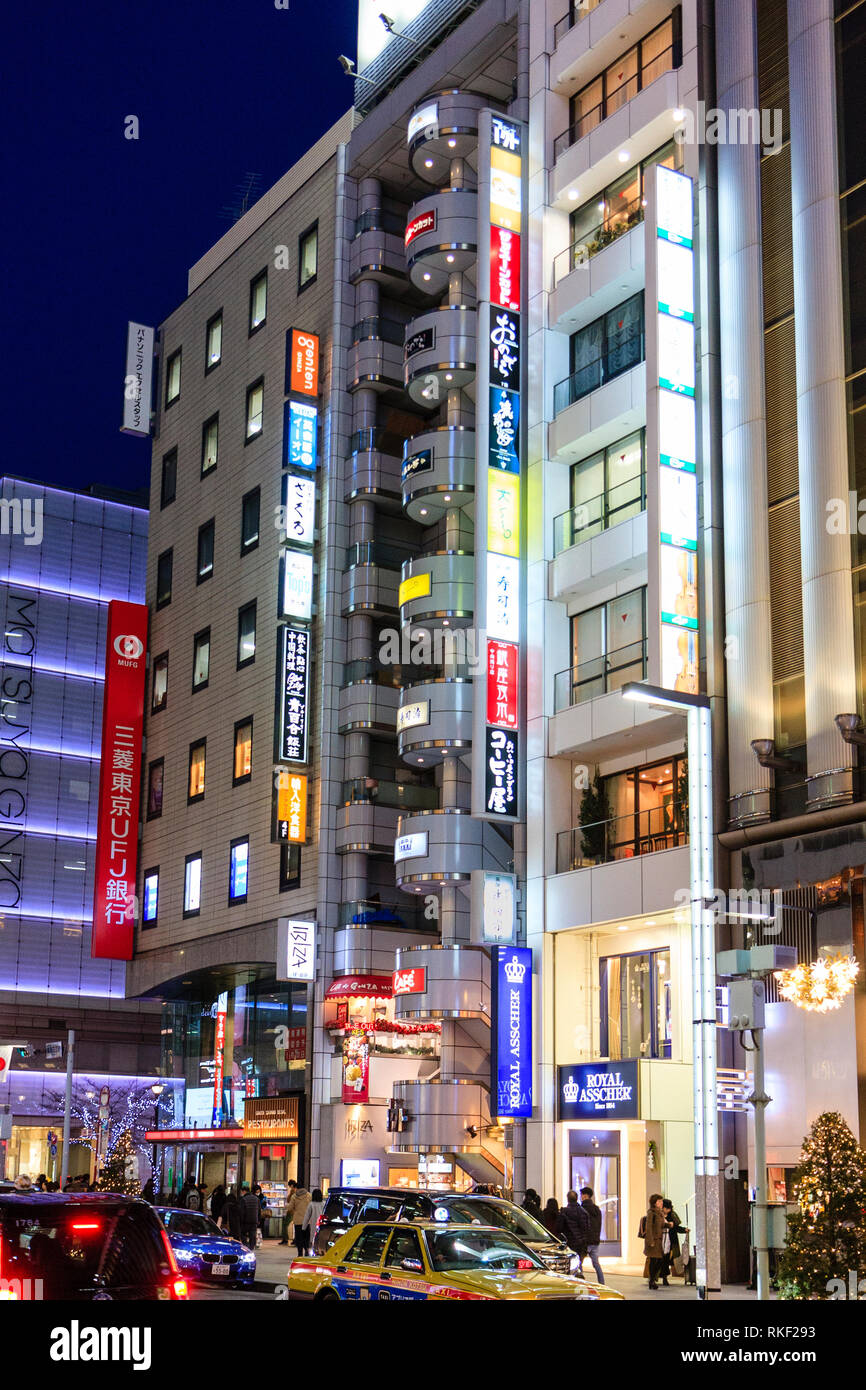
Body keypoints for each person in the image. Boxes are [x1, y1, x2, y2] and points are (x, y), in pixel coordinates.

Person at [579, 1186, 605, 1285]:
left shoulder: (582, 1209)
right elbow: (599, 1224)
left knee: (579, 1263)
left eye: (581, 1195)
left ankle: (581, 1282)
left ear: (585, 1196)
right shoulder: (597, 1209)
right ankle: (602, 1283)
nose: (581, 1197)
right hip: (595, 1241)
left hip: (585, 1242)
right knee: (596, 1264)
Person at [556, 1190, 590, 1266]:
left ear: (568, 1199)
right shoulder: (583, 1212)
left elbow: (559, 1228)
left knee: (570, 1266)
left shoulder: (564, 1212)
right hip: (581, 1243)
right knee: (578, 1265)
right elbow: (587, 1228)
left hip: (569, 1243)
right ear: (577, 1198)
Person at [660, 1199, 686, 1286]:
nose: (668, 1210)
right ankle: (654, 1277)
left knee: (667, 1260)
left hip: (671, 1241)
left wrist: (684, 1230)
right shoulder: (658, 1215)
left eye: (669, 1208)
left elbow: (676, 1227)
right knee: (660, 1260)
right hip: (661, 1240)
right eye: (666, 1208)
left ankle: (665, 1278)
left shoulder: (672, 1216)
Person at [643, 1193, 666, 1290]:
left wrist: (669, 1225)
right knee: (654, 1261)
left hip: (659, 1240)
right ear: (654, 1203)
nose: (661, 1203)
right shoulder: (651, 1212)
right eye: (659, 1201)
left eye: (661, 1201)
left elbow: (660, 1225)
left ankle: (652, 1280)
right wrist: (650, 1241)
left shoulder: (660, 1213)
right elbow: (648, 1227)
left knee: (659, 1260)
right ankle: (651, 1281)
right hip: (653, 1240)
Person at [290, 1181, 312, 1255]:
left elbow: (290, 1208)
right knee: (306, 1237)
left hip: (298, 1220)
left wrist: (294, 1212)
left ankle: (300, 1253)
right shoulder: (309, 1195)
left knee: (299, 1237)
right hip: (307, 1220)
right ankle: (306, 1250)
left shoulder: (294, 1196)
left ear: (296, 1188)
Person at [301, 1188, 325, 1254]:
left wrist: (304, 1227)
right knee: (322, 1241)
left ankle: (314, 1253)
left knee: (313, 1241)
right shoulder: (324, 1204)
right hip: (323, 1225)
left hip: (314, 1225)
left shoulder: (311, 1204)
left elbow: (307, 1216)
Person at [240, 1183, 261, 1250]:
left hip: (246, 1221)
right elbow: (259, 1210)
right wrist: (258, 1220)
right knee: (252, 1236)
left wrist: (241, 1221)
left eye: (241, 1192)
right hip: (254, 1221)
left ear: (244, 1191)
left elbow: (242, 1212)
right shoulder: (256, 1199)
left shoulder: (243, 1199)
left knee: (243, 1234)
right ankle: (251, 1248)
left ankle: (246, 1247)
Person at [279, 1179, 298, 1245]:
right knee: (296, 1226)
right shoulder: (296, 1191)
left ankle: (285, 1239)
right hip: (295, 1211)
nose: (290, 1187)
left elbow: (288, 1200)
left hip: (291, 1211)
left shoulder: (293, 1191)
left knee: (285, 1225)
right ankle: (293, 1239)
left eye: (290, 1186)